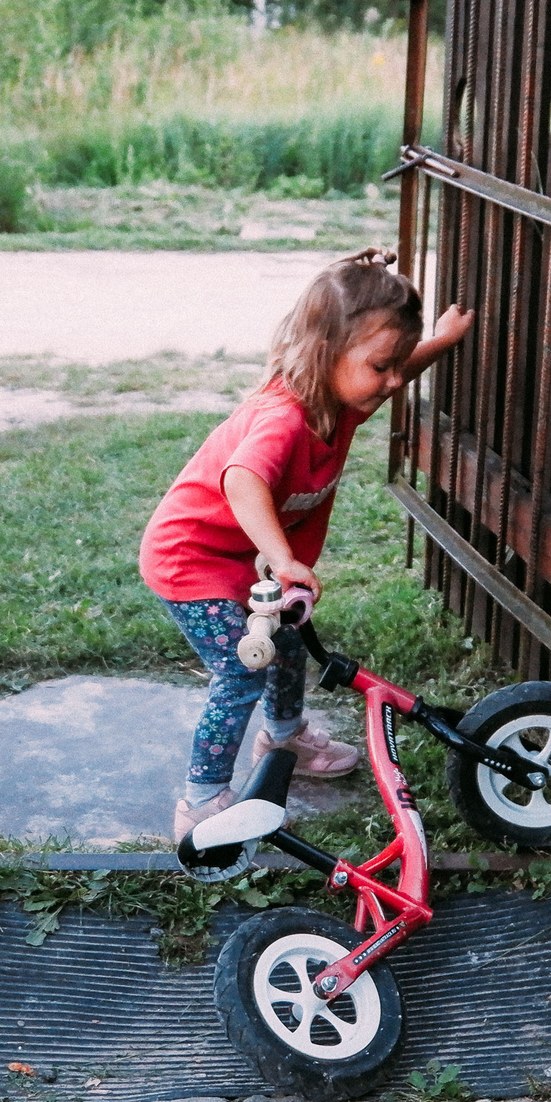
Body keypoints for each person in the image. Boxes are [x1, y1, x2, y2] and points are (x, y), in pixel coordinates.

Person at [138, 248, 474, 841]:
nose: (393, 380)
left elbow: (381, 361)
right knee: (240, 673)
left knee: (286, 643)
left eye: (397, 365)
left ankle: (284, 735)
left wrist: (441, 341)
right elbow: (242, 480)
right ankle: (202, 801)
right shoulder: (285, 418)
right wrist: (285, 558)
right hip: (190, 561)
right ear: (326, 355)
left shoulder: (338, 403)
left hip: (243, 561)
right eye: (381, 367)